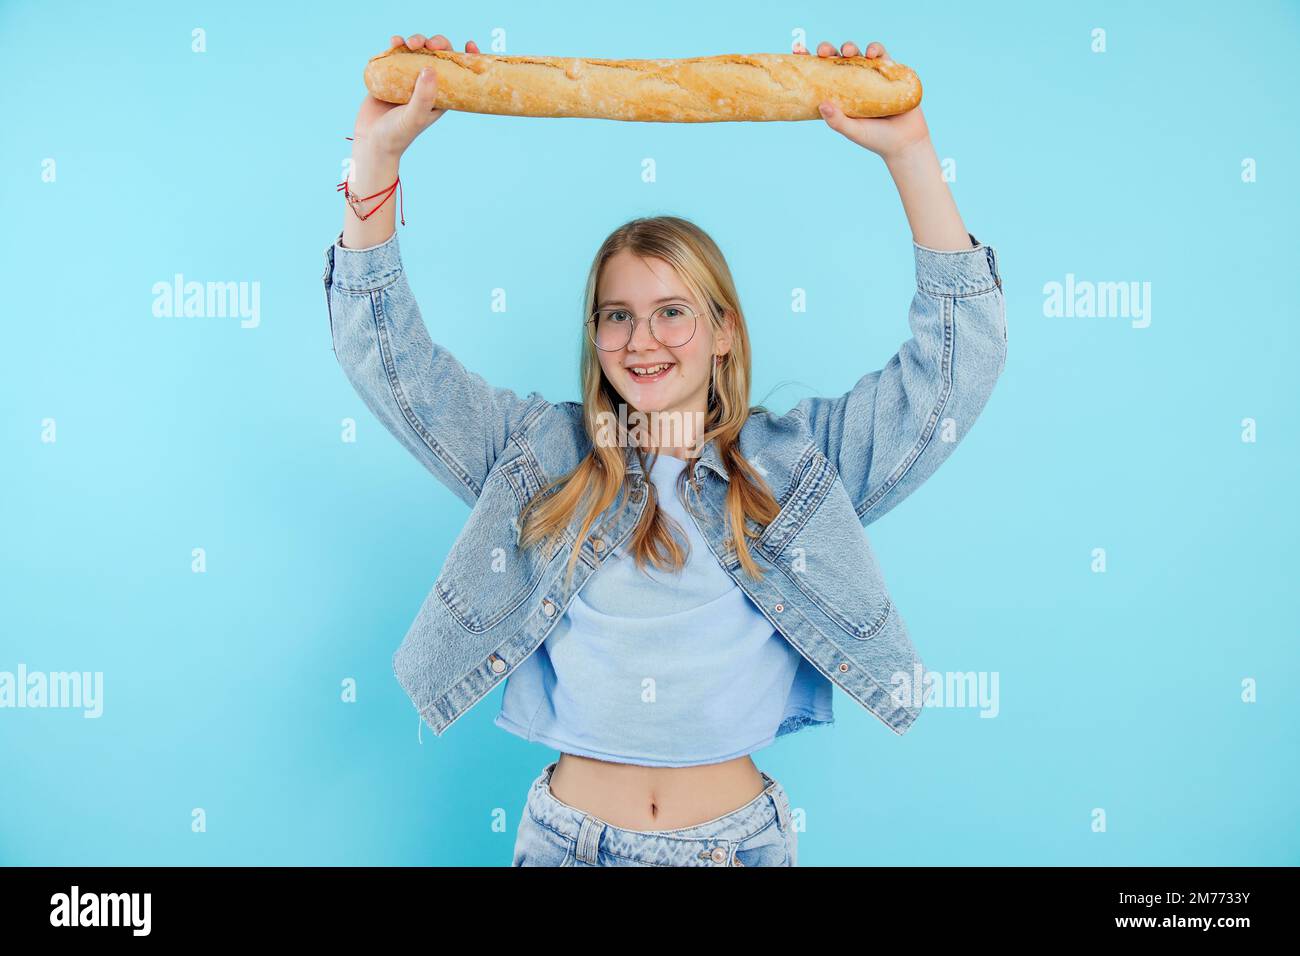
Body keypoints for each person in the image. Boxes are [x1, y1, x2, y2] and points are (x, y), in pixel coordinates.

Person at [327, 32, 1007, 866]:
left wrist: (910, 152)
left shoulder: (798, 469)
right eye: (616, 314)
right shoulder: (540, 458)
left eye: (671, 311)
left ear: (723, 330)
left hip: (734, 846)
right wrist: (376, 154)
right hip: (565, 844)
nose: (641, 339)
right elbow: (387, 360)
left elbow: (956, 367)